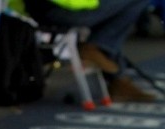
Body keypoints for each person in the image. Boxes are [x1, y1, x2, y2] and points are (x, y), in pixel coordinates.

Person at [19, 0, 157, 102]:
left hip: (42, 9)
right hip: (62, 8)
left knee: (114, 17)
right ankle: (100, 49)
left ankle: (114, 71)